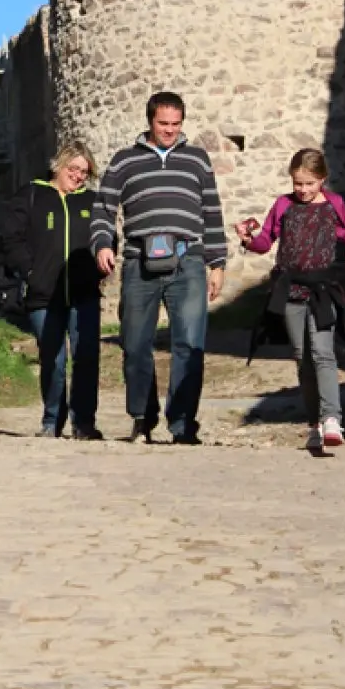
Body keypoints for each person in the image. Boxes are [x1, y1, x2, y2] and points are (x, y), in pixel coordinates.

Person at [92, 92, 227, 444]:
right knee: (135, 344)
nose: (169, 130)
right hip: (139, 261)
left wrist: (217, 262)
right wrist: (103, 244)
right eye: (163, 123)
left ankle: (182, 424)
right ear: (150, 121)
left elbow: (211, 211)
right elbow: (104, 208)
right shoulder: (124, 161)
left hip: (188, 261)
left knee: (189, 345)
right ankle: (142, 417)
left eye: (176, 124)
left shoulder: (197, 159)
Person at [236, 147, 345, 455]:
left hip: (322, 290)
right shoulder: (283, 205)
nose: (304, 190)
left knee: (323, 353)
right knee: (302, 357)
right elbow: (265, 241)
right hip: (290, 291)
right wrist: (247, 238)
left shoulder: (334, 204)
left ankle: (332, 419)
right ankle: (314, 424)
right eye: (298, 183)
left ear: (322, 179)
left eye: (310, 183)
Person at [2, 141, 105, 440]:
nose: (78, 176)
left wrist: (101, 264)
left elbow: (106, 237)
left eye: (84, 172)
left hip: (84, 294)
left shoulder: (92, 202)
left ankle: (84, 422)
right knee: (53, 359)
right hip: (43, 294)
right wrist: (30, 272)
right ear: (58, 165)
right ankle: (52, 420)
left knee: (86, 357)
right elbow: (12, 238)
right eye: (73, 169)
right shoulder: (32, 195)